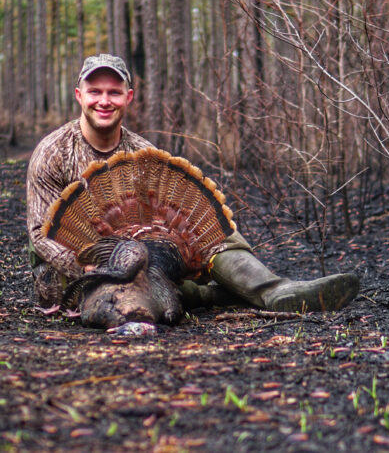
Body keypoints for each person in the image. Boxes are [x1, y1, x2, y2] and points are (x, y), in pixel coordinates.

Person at [25, 53, 360, 312]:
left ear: (128, 98)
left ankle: (276, 292)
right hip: (69, 271)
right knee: (130, 287)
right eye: (94, 91)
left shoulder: (143, 153)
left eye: (114, 93)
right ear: (79, 96)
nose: (104, 101)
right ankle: (216, 296)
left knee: (205, 234)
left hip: (138, 256)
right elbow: (40, 234)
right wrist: (85, 263)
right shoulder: (53, 152)